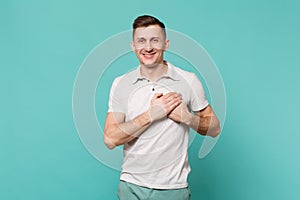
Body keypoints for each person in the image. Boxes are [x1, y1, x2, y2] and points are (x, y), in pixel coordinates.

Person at [104, 15, 220, 200]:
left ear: (166, 44)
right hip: (131, 187)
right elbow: (110, 139)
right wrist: (151, 115)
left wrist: (188, 118)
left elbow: (215, 128)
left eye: (155, 40)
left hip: (173, 189)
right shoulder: (121, 84)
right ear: (133, 46)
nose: (148, 47)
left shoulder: (188, 80)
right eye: (141, 41)